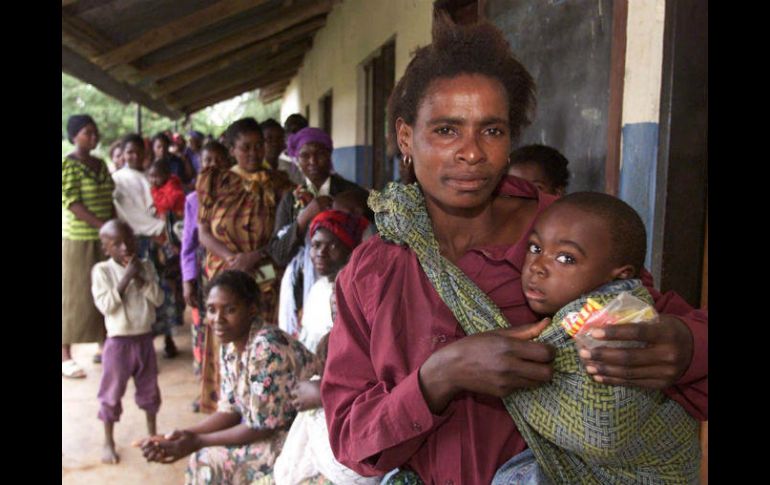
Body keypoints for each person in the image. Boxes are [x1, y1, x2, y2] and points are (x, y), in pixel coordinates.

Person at [320, 14, 707, 485]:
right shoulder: (374, 269)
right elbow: (350, 437)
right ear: (406, 137)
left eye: (492, 130)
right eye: (446, 130)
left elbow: (653, 323)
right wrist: (440, 375)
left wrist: (683, 347)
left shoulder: (568, 238)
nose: (471, 152)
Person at [490, 192, 700, 484]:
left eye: (566, 258)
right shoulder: (575, 312)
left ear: (618, 275)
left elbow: (604, 430)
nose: (537, 266)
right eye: (535, 247)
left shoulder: (619, 319)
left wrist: (503, 370)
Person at [139, 270, 321, 484]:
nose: (218, 319)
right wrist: (182, 434)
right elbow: (230, 411)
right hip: (269, 431)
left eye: (230, 309)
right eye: (211, 310)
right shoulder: (231, 345)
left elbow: (260, 427)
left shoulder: (267, 347)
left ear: (251, 309)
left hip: (299, 437)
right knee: (204, 457)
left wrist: (197, 441)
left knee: (206, 461)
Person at [272, 209, 377, 485]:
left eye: (332, 245)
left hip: (355, 444)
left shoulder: (360, 293)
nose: (321, 252)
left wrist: (322, 392)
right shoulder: (319, 291)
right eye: (316, 245)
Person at [196, 117, 288, 413]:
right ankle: (227, 407)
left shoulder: (279, 182)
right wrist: (233, 260)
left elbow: (284, 233)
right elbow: (203, 231)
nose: (253, 153)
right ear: (232, 149)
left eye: (258, 146)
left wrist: (255, 256)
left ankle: (260, 407)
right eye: (245, 147)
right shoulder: (216, 180)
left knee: (261, 338)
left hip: (264, 275)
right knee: (226, 335)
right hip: (225, 275)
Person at [91, 219, 164, 465]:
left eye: (129, 240)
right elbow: (106, 305)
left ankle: (152, 436)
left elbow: (158, 298)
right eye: (117, 244)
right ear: (106, 248)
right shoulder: (102, 271)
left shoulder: (146, 266)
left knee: (149, 390)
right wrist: (125, 279)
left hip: (144, 339)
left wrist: (140, 277)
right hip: (118, 344)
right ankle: (108, 441)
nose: (125, 247)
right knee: (111, 393)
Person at [62, 114, 115, 379]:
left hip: (104, 238)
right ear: (74, 136)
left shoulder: (101, 163)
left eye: (95, 133)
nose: (93, 138)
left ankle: (104, 346)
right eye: (87, 133)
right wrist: (101, 225)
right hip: (79, 240)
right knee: (75, 296)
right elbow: (71, 202)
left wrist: (114, 230)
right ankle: (65, 355)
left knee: (104, 291)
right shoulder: (68, 164)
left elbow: (110, 199)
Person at [181, 141, 231, 409]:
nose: (212, 165)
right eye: (207, 160)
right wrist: (187, 280)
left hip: (231, 270)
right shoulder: (193, 200)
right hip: (205, 273)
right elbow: (188, 246)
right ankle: (207, 389)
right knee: (205, 332)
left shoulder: (237, 193)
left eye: (218, 159)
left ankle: (230, 389)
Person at [112, 134, 166, 257]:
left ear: (145, 152)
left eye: (138, 152)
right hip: (136, 237)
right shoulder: (118, 178)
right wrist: (158, 228)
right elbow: (129, 213)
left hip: (160, 234)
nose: (135, 156)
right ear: (123, 154)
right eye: (130, 152)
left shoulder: (151, 175)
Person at [277, 114, 309, 186]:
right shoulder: (278, 162)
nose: (296, 136)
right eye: (292, 131)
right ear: (285, 134)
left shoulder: (312, 160)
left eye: (301, 132)